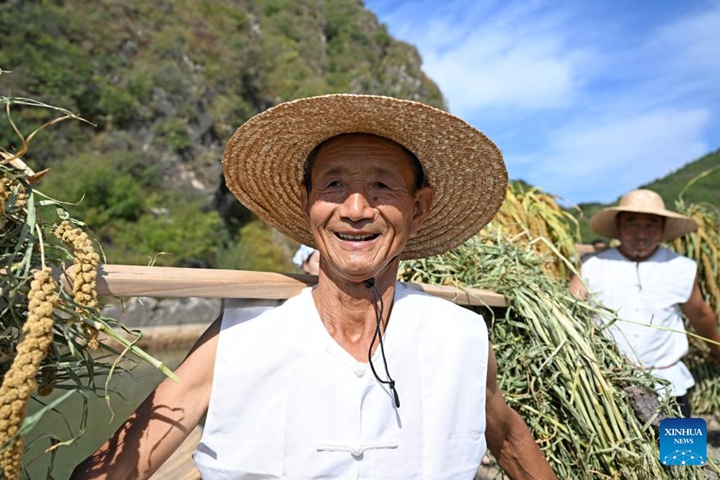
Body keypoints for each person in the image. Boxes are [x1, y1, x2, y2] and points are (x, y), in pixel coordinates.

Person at [71, 94, 556, 479]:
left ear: (419, 207)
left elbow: (508, 438)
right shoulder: (239, 337)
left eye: (383, 187)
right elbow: (114, 470)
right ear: (308, 203)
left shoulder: (462, 338)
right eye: (334, 186)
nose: (356, 209)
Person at [569, 189, 720, 417]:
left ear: (663, 228)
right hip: (607, 387)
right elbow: (569, 311)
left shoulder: (682, 267)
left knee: (684, 453)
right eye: (632, 223)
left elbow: (700, 315)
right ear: (618, 226)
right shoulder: (592, 266)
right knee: (619, 453)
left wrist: (717, 350)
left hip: (670, 385)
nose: (641, 233)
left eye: (651, 224)